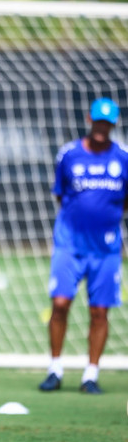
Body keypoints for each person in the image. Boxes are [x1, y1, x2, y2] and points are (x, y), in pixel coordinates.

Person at [39, 97, 128, 395]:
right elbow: (61, 195)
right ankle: (55, 369)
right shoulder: (69, 154)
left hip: (106, 248)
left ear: (113, 125)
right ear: (90, 121)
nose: (102, 128)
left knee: (99, 311)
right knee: (60, 304)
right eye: (98, 122)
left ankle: (91, 374)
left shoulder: (123, 157)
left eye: (108, 124)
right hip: (69, 244)